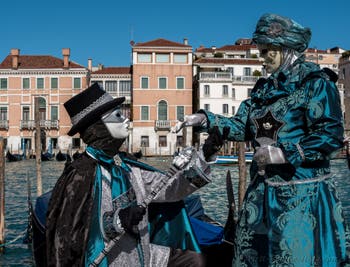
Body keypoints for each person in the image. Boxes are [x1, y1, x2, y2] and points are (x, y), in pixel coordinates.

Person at [175, 13, 350, 266]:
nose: (262, 56)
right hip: (260, 197)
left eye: (268, 50)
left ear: (287, 49)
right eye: (262, 49)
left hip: (302, 198)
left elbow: (330, 134)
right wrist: (205, 120)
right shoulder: (262, 91)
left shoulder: (316, 84)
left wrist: (285, 153)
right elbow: (240, 127)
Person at [45, 83, 210, 267]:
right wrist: (117, 220)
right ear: (99, 127)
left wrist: (206, 156)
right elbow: (74, 235)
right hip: (109, 260)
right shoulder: (79, 176)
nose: (125, 119)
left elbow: (170, 188)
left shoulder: (127, 165)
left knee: (193, 260)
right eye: (117, 115)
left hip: (144, 254)